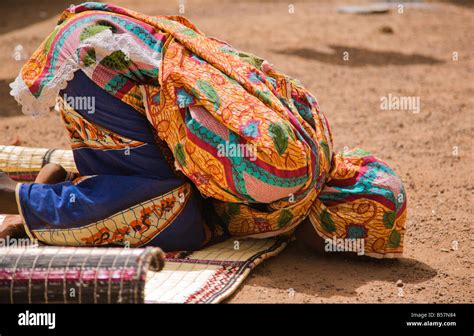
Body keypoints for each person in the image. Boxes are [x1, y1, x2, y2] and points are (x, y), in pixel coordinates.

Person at [1, 2, 407, 257]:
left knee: (178, 203)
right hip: (103, 67)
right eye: (349, 247)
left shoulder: (315, 143)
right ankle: (20, 198)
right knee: (176, 218)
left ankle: (66, 185)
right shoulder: (282, 179)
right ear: (338, 218)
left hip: (112, 39)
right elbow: (193, 140)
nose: (337, 254)